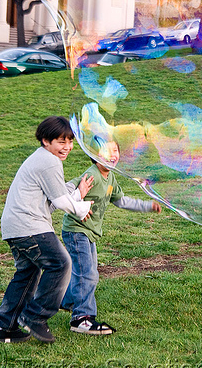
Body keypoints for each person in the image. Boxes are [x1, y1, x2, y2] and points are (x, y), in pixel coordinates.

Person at [0, 116, 93, 344]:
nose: (67, 147)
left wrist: (77, 193)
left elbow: (55, 199)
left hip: (14, 227)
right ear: (46, 141)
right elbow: (62, 201)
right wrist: (80, 208)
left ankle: (2, 328)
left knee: (27, 274)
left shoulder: (42, 159)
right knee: (61, 263)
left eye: (70, 141)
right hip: (29, 226)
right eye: (61, 142)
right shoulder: (49, 161)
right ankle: (35, 316)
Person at [61, 140, 162, 335]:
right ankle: (82, 318)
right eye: (107, 151)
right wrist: (77, 199)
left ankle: (64, 301)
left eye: (115, 150)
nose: (113, 154)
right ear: (96, 155)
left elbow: (122, 201)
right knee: (87, 274)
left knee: (87, 273)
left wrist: (147, 206)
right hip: (76, 231)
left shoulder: (110, 178)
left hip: (88, 232)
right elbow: (68, 189)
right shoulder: (92, 174)